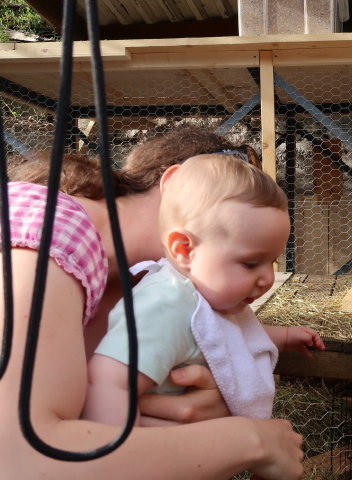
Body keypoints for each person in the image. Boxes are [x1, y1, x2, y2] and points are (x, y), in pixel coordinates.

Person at [0, 127, 305, 479]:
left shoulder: (163, 284)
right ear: (173, 183)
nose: (264, 277)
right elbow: (21, 458)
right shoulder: (43, 224)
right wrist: (251, 440)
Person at [81, 154, 325, 426]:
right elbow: (107, 381)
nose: (267, 278)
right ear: (184, 249)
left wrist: (285, 336)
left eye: (272, 261)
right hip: (156, 452)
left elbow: (219, 334)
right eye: (251, 263)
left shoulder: (204, 300)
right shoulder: (166, 304)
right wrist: (123, 448)